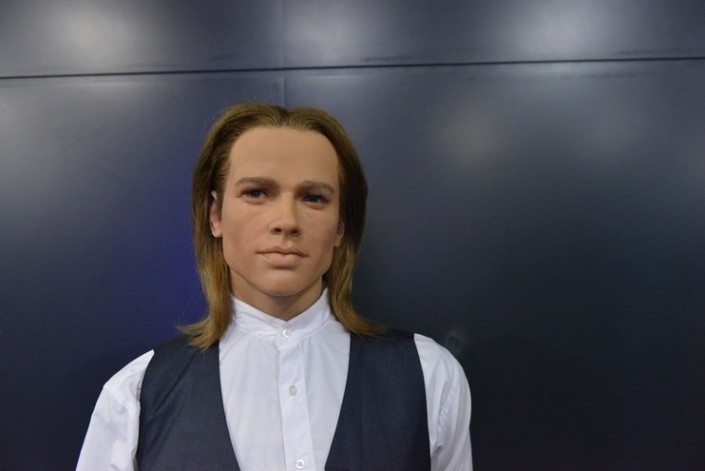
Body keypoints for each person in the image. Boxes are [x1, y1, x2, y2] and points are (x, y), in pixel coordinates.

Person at [77, 103, 473, 470]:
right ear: (215, 215)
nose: (286, 221)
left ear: (340, 225)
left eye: (313, 197)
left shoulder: (430, 378)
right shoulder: (136, 396)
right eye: (256, 193)